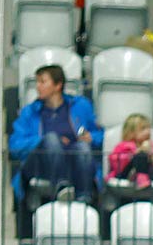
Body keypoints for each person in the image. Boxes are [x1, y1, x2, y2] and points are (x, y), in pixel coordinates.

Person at [8, 65, 100, 202]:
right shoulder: (30, 112)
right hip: (40, 165)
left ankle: (84, 197)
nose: (38, 87)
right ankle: (61, 188)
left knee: (82, 147)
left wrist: (92, 137)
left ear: (58, 85)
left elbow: (100, 133)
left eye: (42, 82)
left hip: (73, 160)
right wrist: (43, 141)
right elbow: (15, 146)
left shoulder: (81, 106)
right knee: (51, 139)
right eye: (37, 82)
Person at [106, 113, 153, 189]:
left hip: (148, 173)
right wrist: (132, 155)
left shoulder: (152, 146)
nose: (148, 132)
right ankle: (140, 177)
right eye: (143, 129)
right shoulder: (123, 146)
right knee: (141, 155)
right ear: (131, 132)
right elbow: (115, 161)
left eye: (148, 128)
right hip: (124, 174)